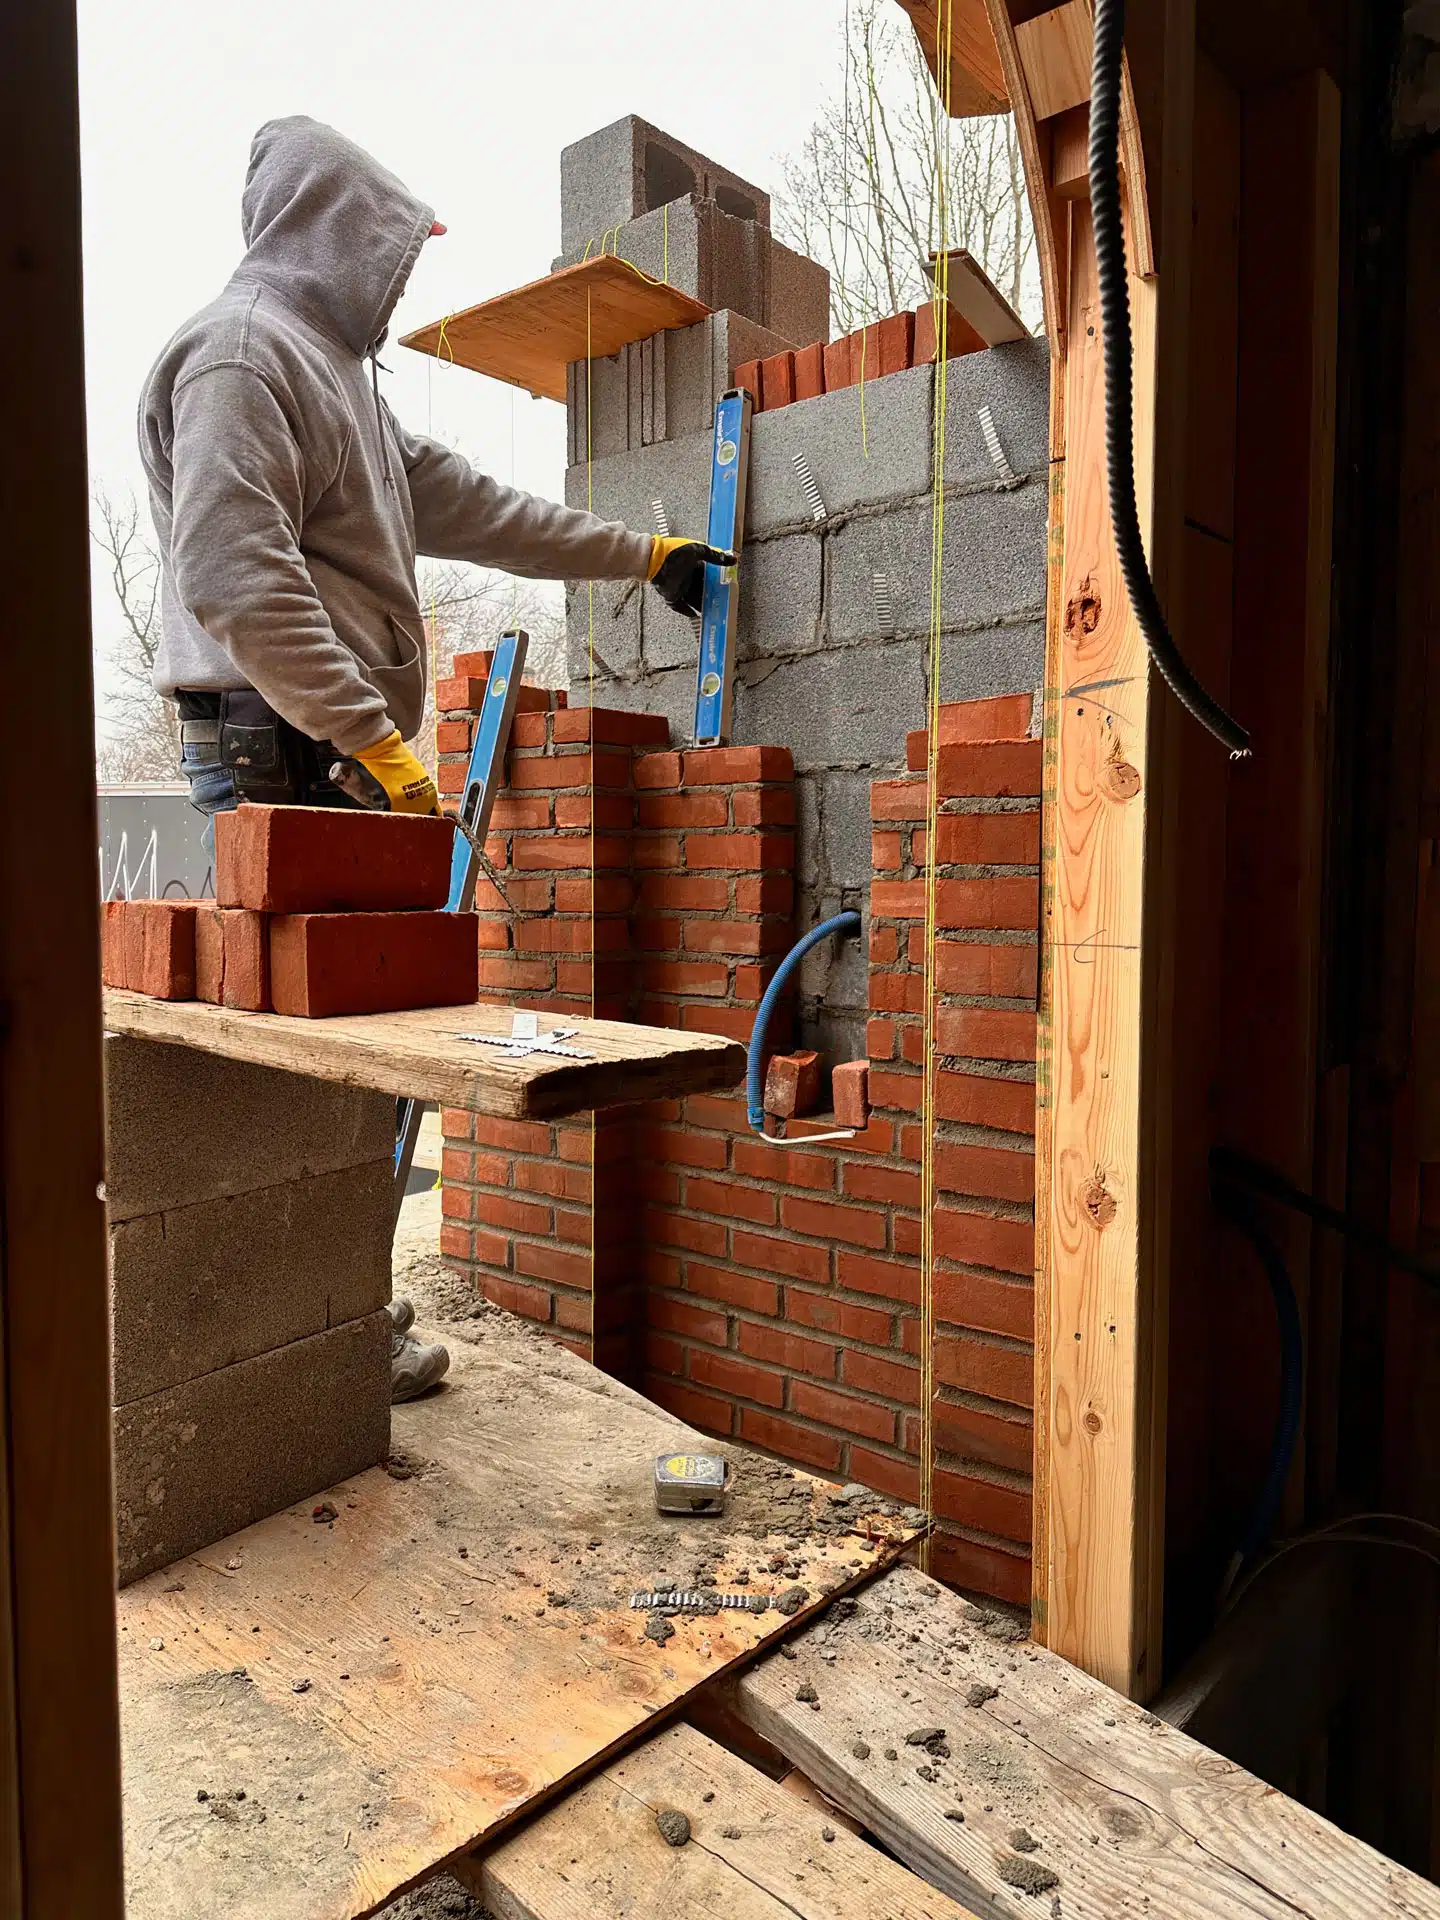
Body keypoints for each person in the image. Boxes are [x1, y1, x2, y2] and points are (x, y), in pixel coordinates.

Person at [138, 116, 730, 1400]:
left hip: (317, 746)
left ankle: (335, 1308)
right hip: (281, 746)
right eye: (391, 255)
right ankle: (313, 1337)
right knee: (311, 1053)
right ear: (335, 234)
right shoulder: (242, 355)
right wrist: (376, 741)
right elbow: (234, 576)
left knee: (346, 1038)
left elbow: (476, 507)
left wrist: (641, 554)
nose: (398, 283)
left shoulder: (339, 381)